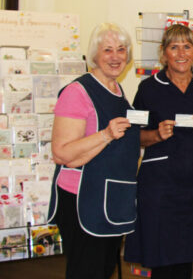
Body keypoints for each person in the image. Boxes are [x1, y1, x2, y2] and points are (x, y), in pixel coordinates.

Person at [123, 24, 193, 278]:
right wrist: (156, 135)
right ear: (164, 53)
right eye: (174, 47)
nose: (181, 54)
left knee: (188, 256)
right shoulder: (148, 88)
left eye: (187, 47)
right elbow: (132, 136)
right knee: (162, 256)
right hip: (161, 188)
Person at [48, 22, 139, 279]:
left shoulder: (117, 90)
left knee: (104, 269)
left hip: (112, 200)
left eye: (121, 49)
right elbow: (62, 153)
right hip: (84, 200)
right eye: (107, 50)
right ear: (94, 56)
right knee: (86, 271)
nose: (115, 57)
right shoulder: (77, 92)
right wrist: (106, 135)